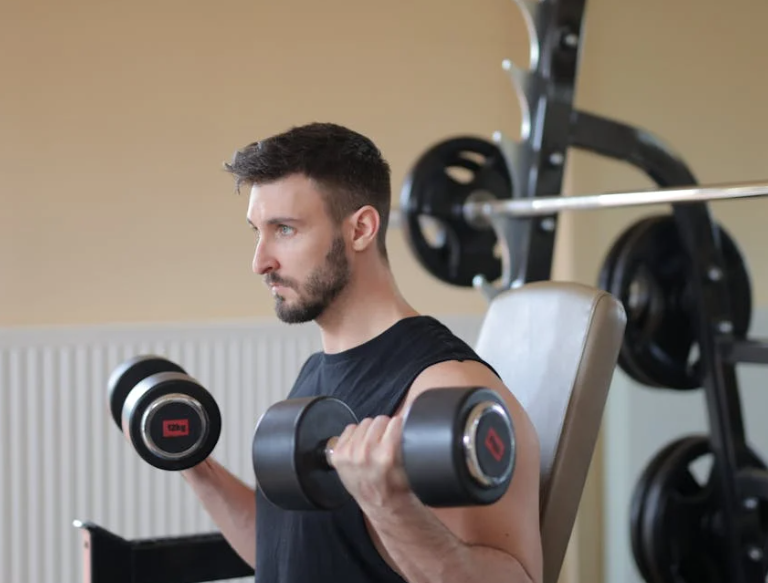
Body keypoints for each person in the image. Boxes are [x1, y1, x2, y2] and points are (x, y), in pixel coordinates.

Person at [181, 122, 544, 583]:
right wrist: (196, 466)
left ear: (361, 229)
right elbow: (288, 552)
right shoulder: (319, 372)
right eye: (257, 231)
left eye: (285, 230)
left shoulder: (446, 388)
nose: (260, 262)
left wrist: (391, 505)